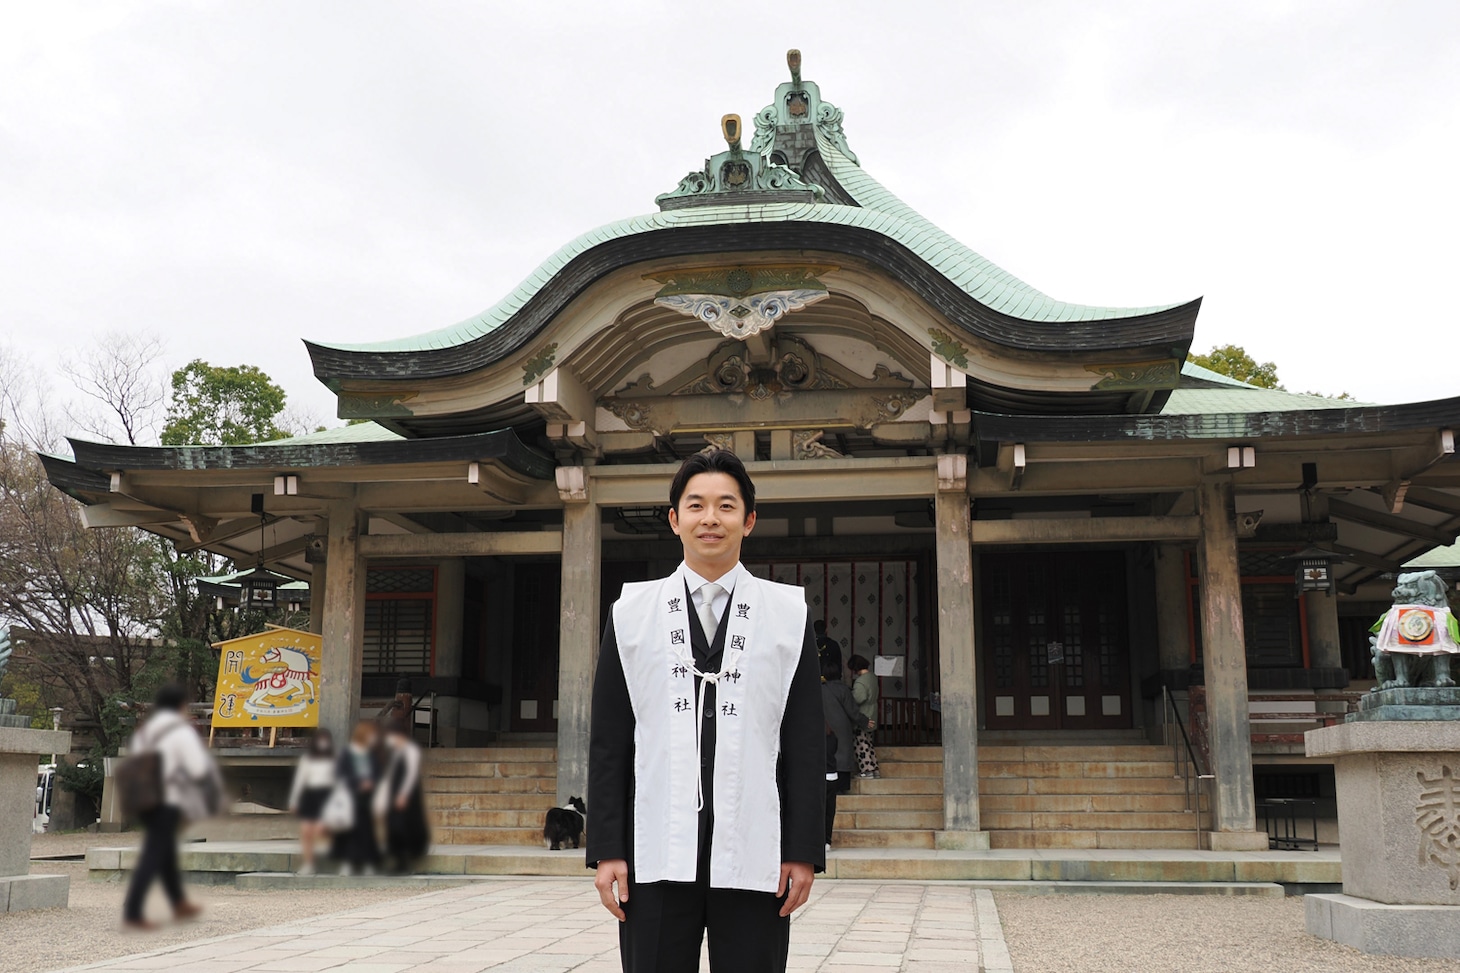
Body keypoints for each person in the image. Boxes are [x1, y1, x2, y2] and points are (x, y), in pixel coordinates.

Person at [587, 448, 824, 973]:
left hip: (755, 849)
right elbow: (609, 742)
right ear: (674, 519)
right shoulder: (631, 615)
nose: (710, 519)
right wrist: (608, 849)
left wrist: (803, 850)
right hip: (654, 852)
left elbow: (806, 741)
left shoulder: (786, 616)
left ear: (750, 520)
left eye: (726, 506)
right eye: (695, 505)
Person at [122, 684, 219, 930]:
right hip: (168, 798)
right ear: (180, 706)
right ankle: (133, 910)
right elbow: (196, 767)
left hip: (143, 798)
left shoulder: (146, 730)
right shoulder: (180, 731)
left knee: (164, 852)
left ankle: (178, 903)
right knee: (155, 853)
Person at [374, 720, 429, 873]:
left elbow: (411, 774)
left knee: (406, 827)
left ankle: (407, 860)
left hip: (409, 795)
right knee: (393, 827)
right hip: (393, 793)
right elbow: (387, 777)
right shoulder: (392, 752)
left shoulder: (411, 750)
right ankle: (397, 860)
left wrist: (403, 794)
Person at [333, 721, 381, 875]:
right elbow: (340, 775)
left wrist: (371, 782)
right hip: (349, 797)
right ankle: (348, 862)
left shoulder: (372, 755)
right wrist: (358, 783)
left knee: (367, 831)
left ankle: (368, 863)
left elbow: (378, 774)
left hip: (367, 798)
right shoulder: (347, 754)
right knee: (349, 831)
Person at [288, 729, 337, 875]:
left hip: (328, 796)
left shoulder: (335, 758)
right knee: (306, 831)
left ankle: (328, 849)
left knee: (320, 829)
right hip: (309, 795)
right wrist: (294, 801)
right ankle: (309, 864)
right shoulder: (307, 759)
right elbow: (300, 781)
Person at [820, 655, 865, 800]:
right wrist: (864, 721)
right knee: (843, 755)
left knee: (829, 755)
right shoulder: (844, 690)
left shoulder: (820, 690)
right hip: (842, 727)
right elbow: (852, 711)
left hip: (826, 727)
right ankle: (843, 786)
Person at [847, 655, 880, 779]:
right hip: (873, 712)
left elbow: (859, 698)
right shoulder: (872, 677)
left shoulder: (861, 681)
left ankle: (867, 770)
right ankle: (874, 768)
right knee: (869, 743)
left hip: (864, 714)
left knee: (861, 743)